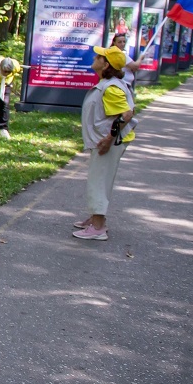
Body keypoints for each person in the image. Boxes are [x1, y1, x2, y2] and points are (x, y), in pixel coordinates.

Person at [73, 45, 137, 241]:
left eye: (99, 56)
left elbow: (126, 114)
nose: (95, 57)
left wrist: (109, 139)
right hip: (105, 140)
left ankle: (98, 227)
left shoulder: (111, 88)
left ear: (106, 64)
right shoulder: (108, 83)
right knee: (98, 178)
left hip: (108, 142)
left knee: (98, 181)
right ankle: (95, 218)